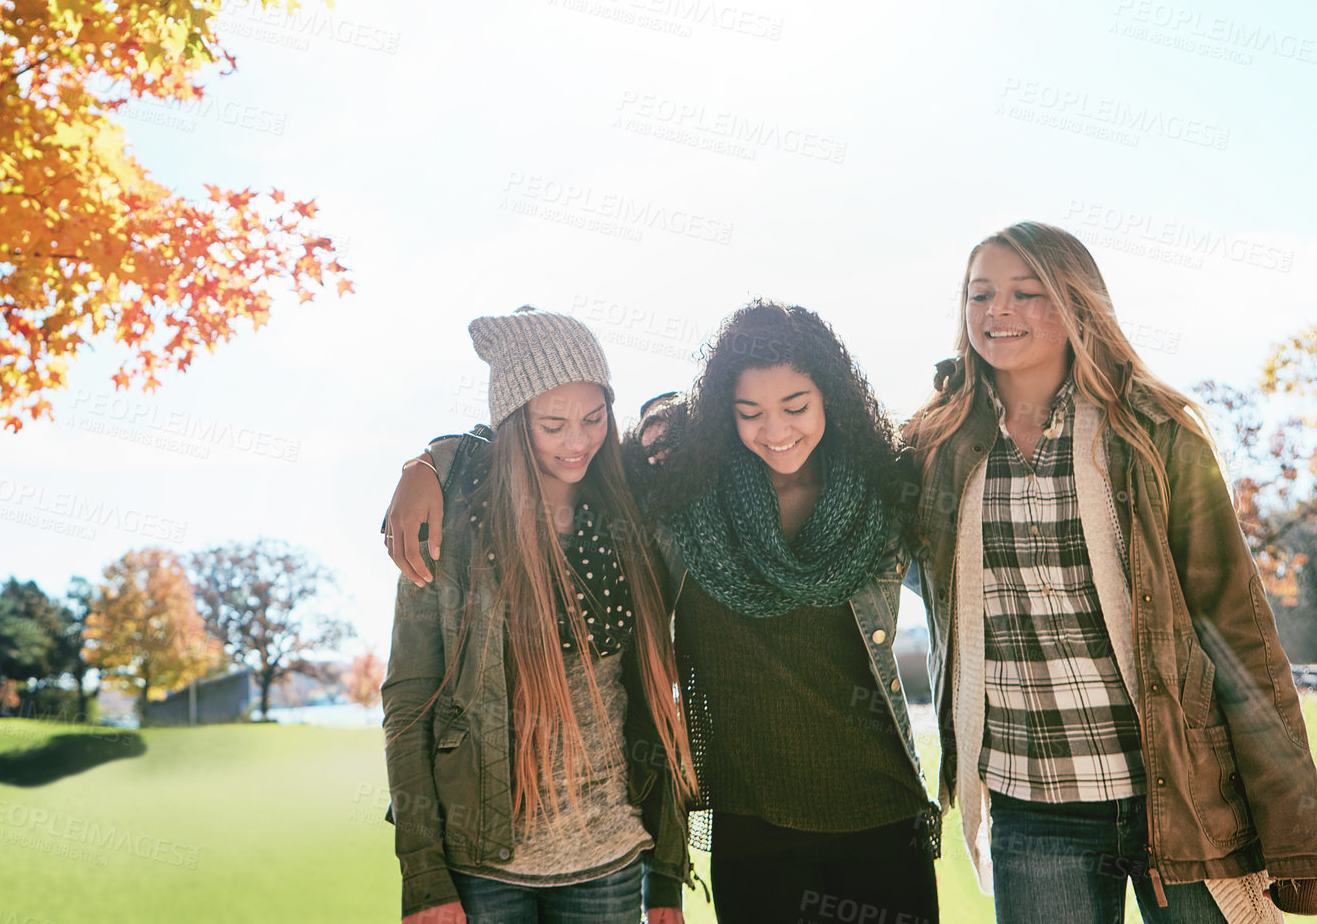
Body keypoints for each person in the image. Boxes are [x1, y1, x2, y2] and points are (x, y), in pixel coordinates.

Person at [385, 301, 941, 924]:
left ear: (830, 397)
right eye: (749, 412)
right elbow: (411, 698)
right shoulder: (684, 506)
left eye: (796, 405)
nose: (775, 428)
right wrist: (430, 460)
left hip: (877, 814)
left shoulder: (880, 496)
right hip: (741, 826)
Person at [903, 220, 1317, 924]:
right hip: (1031, 809)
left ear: (1075, 305)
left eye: (1024, 293)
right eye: (980, 294)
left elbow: (1235, 629)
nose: (996, 311)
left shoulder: (1154, 433)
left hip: (1177, 795)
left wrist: (1296, 828)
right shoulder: (934, 447)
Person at [380, 306, 697, 924]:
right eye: (553, 424)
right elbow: (409, 697)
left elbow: (660, 704)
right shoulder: (450, 526)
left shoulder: (632, 517)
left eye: (594, 417)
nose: (578, 441)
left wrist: (666, 882)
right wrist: (423, 874)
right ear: (513, 423)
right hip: (480, 868)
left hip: (611, 862)